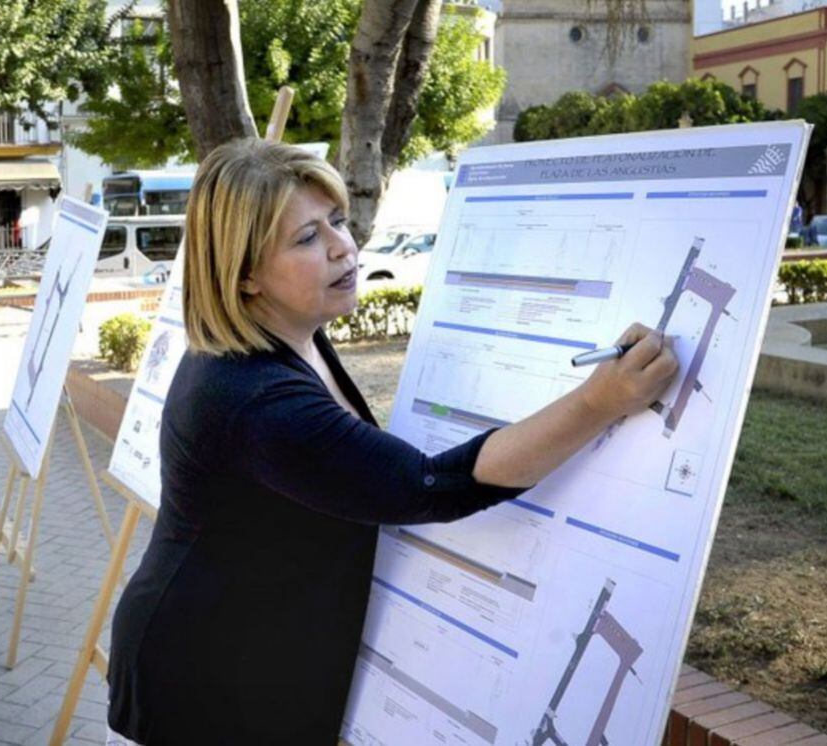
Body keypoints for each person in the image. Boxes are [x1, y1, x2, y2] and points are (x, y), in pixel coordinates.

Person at [106, 139, 679, 744]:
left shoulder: (292, 334)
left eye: (337, 220)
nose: (341, 246)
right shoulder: (255, 397)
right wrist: (600, 401)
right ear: (245, 274)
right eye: (306, 239)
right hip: (198, 683)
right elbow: (430, 487)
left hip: (237, 656)